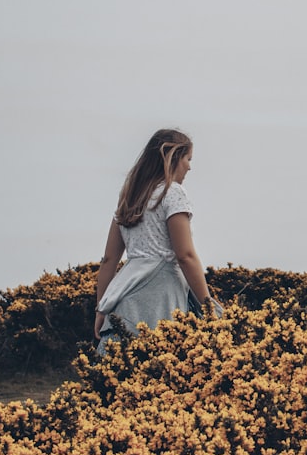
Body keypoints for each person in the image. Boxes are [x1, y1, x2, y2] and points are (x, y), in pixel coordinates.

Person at [93, 128, 222, 351]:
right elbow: (185, 255)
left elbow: (109, 260)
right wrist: (208, 306)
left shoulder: (130, 197)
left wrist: (102, 308)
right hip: (162, 298)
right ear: (172, 158)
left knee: (117, 370)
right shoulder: (172, 193)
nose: (189, 167)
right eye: (187, 159)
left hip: (124, 299)